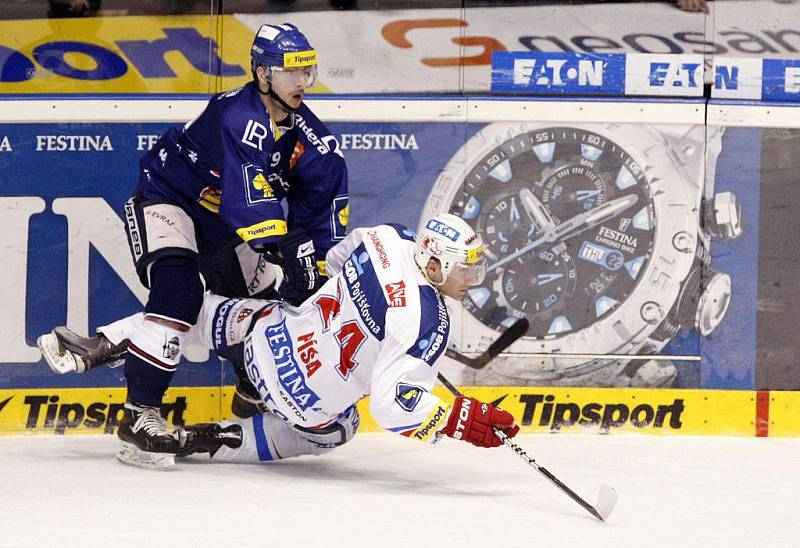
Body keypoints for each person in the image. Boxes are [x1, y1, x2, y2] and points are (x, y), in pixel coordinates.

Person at [37, 22, 349, 458]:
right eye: (289, 71)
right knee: (179, 291)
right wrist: (287, 249)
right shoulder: (236, 116)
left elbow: (320, 224)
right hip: (170, 199)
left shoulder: (317, 146)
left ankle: (123, 348)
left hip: (224, 226)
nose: (301, 82)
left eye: (306, 71)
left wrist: (313, 269)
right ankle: (140, 414)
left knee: (260, 315)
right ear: (262, 72)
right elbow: (249, 207)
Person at [39, 214, 520, 469]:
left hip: (266, 345)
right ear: (433, 262)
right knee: (343, 427)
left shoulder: (386, 237)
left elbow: (331, 263)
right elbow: (394, 409)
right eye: (465, 268)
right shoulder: (430, 321)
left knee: (194, 310)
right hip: (305, 407)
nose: (472, 279)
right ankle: (197, 441)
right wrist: (456, 417)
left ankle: (102, 343)